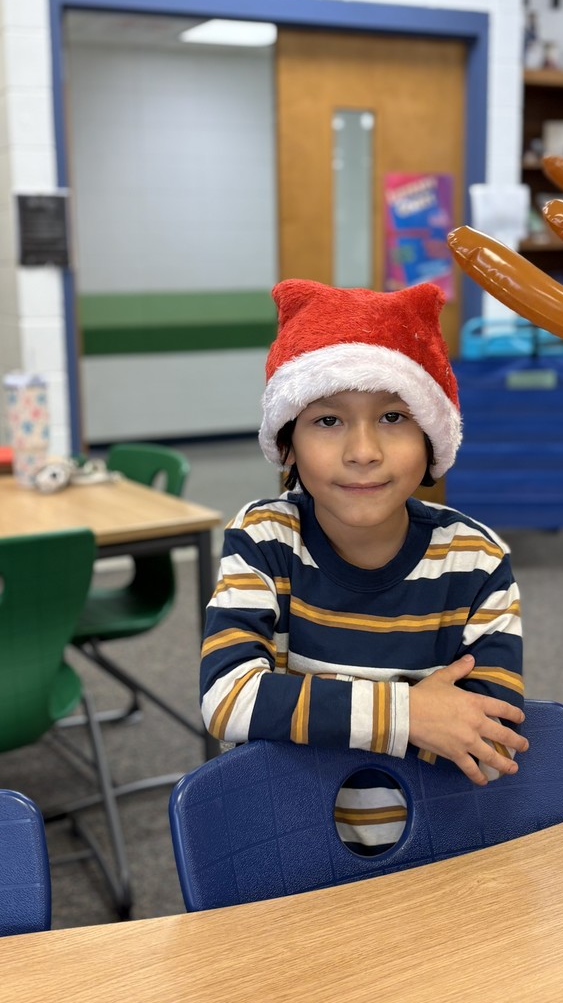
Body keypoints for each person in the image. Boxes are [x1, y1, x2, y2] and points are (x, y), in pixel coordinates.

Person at [200, 279, 528, 853]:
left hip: (437, 851)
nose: (363, 451)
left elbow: (488, 735)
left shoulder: (475, 558)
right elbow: (228, 700)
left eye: (394, 417)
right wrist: (410, 712)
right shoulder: (265, 536)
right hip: (285, 849)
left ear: (431, 436)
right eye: (328, 421)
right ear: (288, 444)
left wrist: (303, 707)